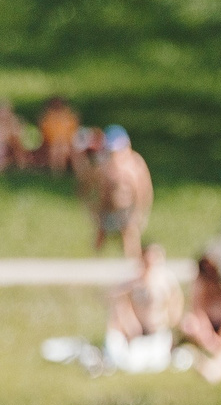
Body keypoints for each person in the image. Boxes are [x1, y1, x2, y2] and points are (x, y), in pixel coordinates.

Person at [82, 125, 153, 257]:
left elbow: (143, 189)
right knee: (101, 234)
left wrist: (141, 211)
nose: (116, 156)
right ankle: (94, 261)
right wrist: (93, 207)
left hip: (128, 210)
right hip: (107, 208)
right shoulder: (104, 166)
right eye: (112, 152)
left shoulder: (134, 164)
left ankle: (132, 262)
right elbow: (90, 185)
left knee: (129, 233)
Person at [107, 245, 184, 342]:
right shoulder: (134, 279)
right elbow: (115, 296)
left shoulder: (166, 279)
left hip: (158, 328)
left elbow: (176, 299)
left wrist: (172, 320)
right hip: (137, 328)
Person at [37, 97, 81, 172]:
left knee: (65, 148)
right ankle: (57, 172)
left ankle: (79, 172)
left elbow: (73, 131)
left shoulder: (69, 116)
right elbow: (45, 133)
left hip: (67, 143)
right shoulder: (47, 117)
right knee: (56, 148)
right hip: (51, 144)